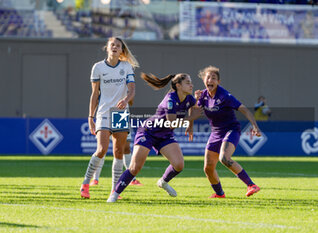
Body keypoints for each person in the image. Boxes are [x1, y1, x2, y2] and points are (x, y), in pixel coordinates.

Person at [107, 72, 202, 202]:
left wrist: (190, 126)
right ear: (178, 85)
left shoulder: (188, 98)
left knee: (179, 165)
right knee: (135, 168)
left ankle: (163, 182)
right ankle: (115, 194)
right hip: (149, 132)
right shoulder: (170, 99)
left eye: (191, 82)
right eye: (188, 82)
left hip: (165, 135)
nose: (191, 85)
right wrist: (191, 118)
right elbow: (171, 122)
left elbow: (193, 106)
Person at [80, 37, 139, 199]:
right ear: (107, 48)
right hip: (104, 112)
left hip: (120, 113)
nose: (115, 47)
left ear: (122, 51)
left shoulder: (126, 67)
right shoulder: (98, 67)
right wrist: (90, 116)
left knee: (119, 151)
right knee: (101, 149)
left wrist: (126, 100)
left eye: (118, 46)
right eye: (112, 45)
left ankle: (115, 190)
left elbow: (132, 90)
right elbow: (94, 94)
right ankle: (85, 183)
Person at [194, 66, 261, 198]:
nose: (210, 80)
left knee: (224, 158)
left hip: (231, 130)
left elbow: (245, 110)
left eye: (214, 78)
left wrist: (255, 126)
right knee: (208, 168)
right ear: (203, 80)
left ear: (218, 81)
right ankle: (220, 194)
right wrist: (196, 100)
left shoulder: (225, 96)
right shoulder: (202, 95)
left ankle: (251, 185)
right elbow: (194, 113)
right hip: (215, 133)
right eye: (208, 77)